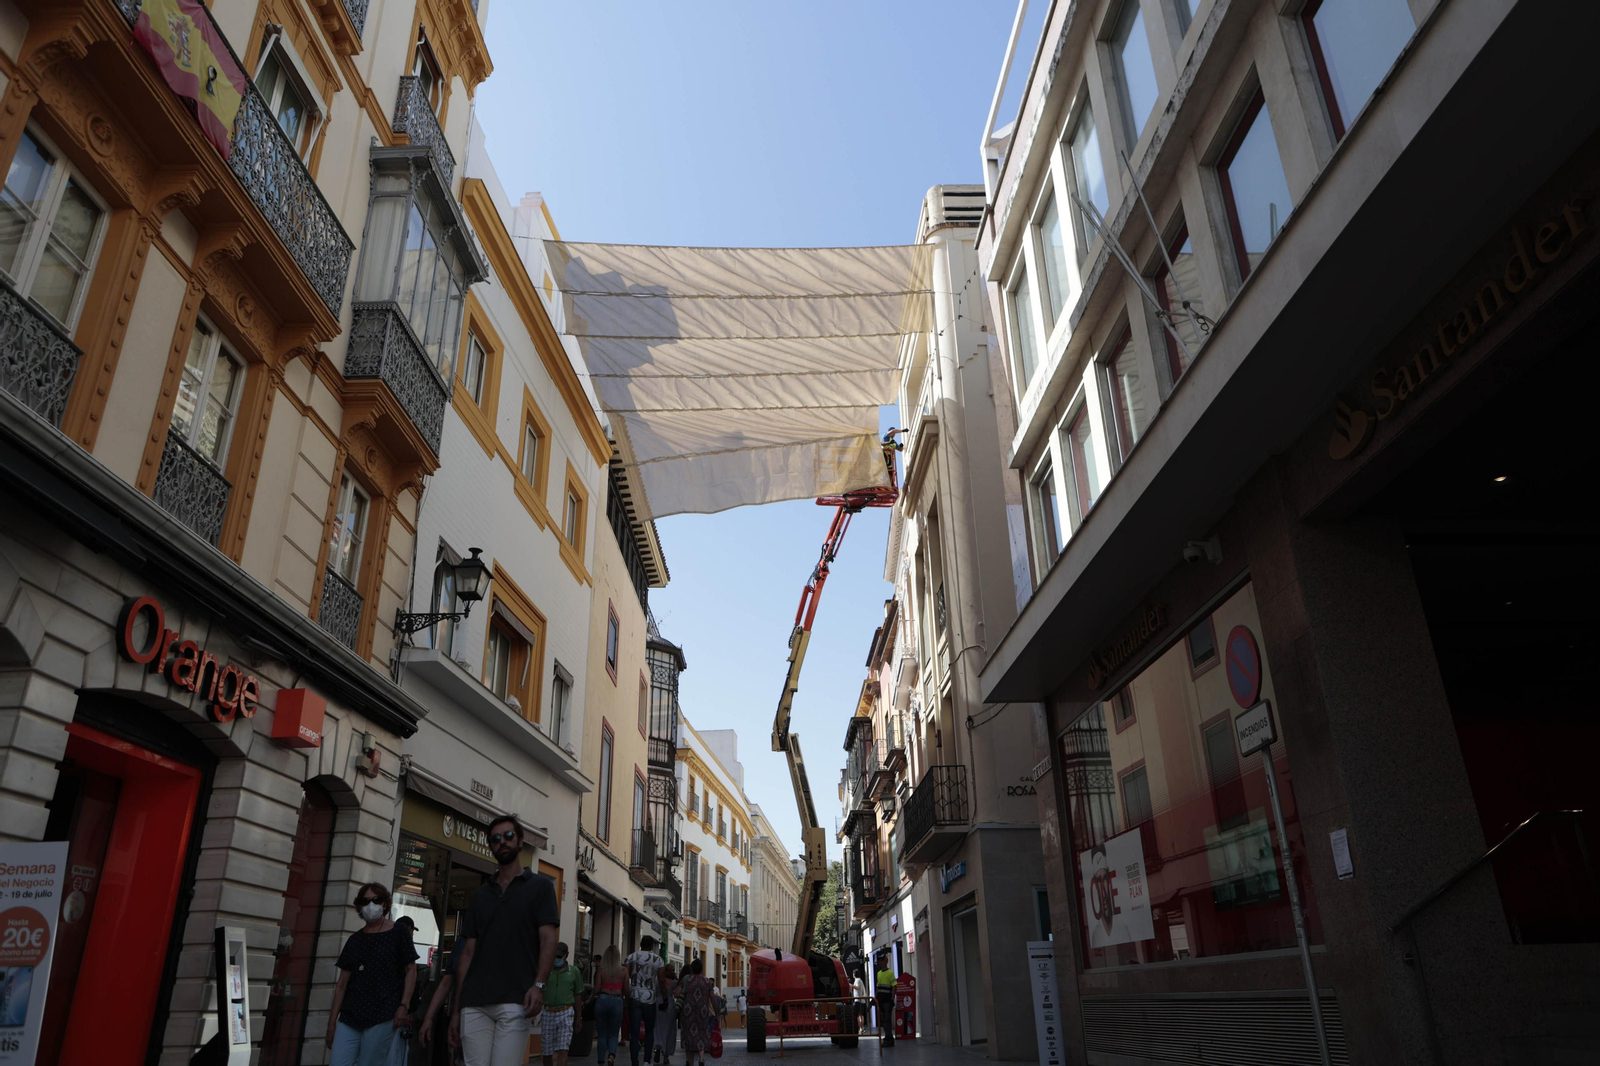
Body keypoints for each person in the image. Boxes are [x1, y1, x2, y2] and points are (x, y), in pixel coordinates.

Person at [449, 816, 561, 1066]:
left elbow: (549, 940)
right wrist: (456, 1009)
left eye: (508, 836)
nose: (503, 842)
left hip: (515, 1000)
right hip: (474, 1002)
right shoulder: (480, 895)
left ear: (520, 841)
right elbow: (467, 954)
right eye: (495, 839)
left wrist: (539, 986)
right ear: (490, 846)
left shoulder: (541, 887)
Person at [326, 883, 417, 1066]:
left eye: (376, 899)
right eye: (365, 901)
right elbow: (342, 984)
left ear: (385, 903)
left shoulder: (398, 932)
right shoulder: (355, 940)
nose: (371, 905)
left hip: (383, 1013)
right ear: (359, 906)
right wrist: (332, 1023)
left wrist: (403, 1005)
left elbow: (411, 970)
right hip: (350, 1015)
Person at [624, 936, 667, 1066]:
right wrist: (665, 998)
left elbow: (626, 979)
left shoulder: (630, 958)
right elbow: (662, 980)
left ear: (640, 944)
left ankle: (634, 1062)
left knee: (634, 1032)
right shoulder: (658, 960)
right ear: (652, 946)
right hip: (650, 998)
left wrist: (626, 997)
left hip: (635, 996)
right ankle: (647, 1061)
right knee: (649, 1031)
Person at [542, 942, 585, 1066]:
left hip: (565, 1012)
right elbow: (539, 987)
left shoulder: (574, 972)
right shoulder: (546, 970)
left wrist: (578, 1017)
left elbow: (578, 995)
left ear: (567, 955)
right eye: (555, 956)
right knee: (547, 1051)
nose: (557, 959)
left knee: (563, 1049)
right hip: (548, 1011)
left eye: (560, 956)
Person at [676, 958, 715, 1066]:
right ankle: (701, 1058)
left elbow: (676, 994)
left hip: (688, 1013)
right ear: (701, 969)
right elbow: (712, 998)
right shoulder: (707, 981)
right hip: (703, 1014)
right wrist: (717, 1013)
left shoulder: (686, 979)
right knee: (701, 1036)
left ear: (692, 969)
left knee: (689, 1037)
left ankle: (689, 1061)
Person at [593, 946, 628, 1066]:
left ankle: (601, 1061)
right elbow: (627, 991)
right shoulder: (623, 971)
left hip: (602, 1001)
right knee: (613, 1034)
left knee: (602, 1034)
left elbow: (596, 990)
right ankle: (611, 1056)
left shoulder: (601, 971)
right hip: (617, 1002)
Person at [654, 964, 678, 1064]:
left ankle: (658, 1046)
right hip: (670, 1004)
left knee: (658, 1028)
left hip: (659, 1004)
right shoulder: (675, 982)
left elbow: (654, 992)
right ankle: (666, 1056)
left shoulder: (658, 981)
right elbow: (677, 993)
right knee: (670, 1030)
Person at [874, 956, 895, 1046]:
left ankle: (889, 1038)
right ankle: (888, 1037)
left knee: (887, 1020)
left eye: (882, 961)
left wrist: (892, 998)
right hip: (881, 1000)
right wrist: (876, 998)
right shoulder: (879, 973)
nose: (880, 962)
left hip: (887, 1001)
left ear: (886, 961)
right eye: (879, 961)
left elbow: (894, 986)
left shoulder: (890, 973)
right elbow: (878, 987)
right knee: (884, 1021)